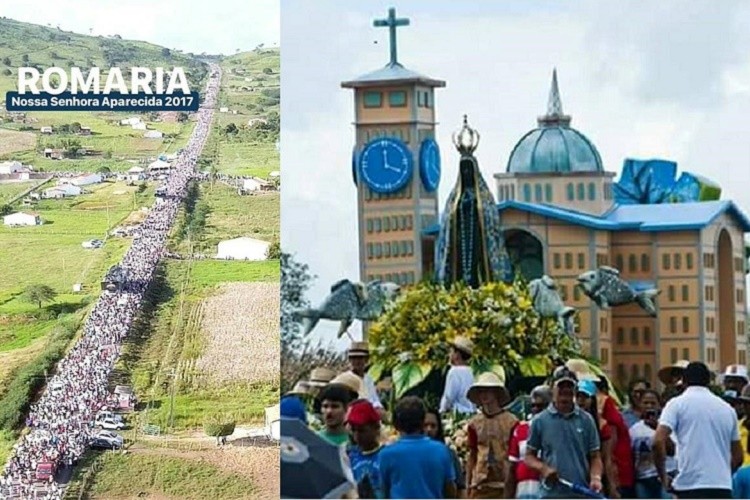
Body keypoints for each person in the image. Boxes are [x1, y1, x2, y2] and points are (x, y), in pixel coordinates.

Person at [654, 361, 743, 498]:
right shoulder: (727, 409)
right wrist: (722, 474)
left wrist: (663, 476)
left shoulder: (676, 404)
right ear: (708, 381)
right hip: (721, 487)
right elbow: (738, 457)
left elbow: (657, 441)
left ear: (683, 380)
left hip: (688, 485)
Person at [524, 367, 603, 499]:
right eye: (561, 386)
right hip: (550, 494)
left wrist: (595, 478)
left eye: (569, 386)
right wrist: (543, 468)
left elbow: (595, 456)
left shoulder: (586, 419)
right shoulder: (540, 420)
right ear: (553, 389)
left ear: (575, 389)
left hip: (580, 492)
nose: (565, 390)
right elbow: (529, 457)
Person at [379, 396, 457, 499]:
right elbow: (450, 490)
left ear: (396, 425)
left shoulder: (386, 454)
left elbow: (383, 492)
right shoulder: (441, 450)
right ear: (422, 422)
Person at [464, 372, 518, 499]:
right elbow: (472, 454)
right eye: (481, 391)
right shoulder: (474, 423)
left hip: (504, 483)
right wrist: (468, 484)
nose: (484, 395)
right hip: (480, 483)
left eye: (487, 391)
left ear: (496, 393)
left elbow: (514, 456)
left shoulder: (511, 422)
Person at [575, 380, 618, 499]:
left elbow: (606, 458)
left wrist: (611, 485)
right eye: (578, 396)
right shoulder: (566, 423)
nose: (580, 400)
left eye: (585, 396)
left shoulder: (601, 425)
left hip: (595, 478)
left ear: (592, 399)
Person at [595, 376, 635, 498]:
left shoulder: (602, 404)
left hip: (613, 473)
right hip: (613, 473)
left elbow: (610, 447)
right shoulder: (604, 403)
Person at [507, 385, 550, 499]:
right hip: (523, 491)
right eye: (533, 405)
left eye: (540, 406)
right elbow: (512, 468)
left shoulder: (558, 430)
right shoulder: (520, 429)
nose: (536, 409)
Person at [628, 389, 671, 499]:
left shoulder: (666, 426)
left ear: (659, 406)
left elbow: (673, 450)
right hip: (642, 478)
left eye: (653, 403)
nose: (649, 406)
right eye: (646, 403)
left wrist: (657, 427)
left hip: (664, 477)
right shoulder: (634, 430)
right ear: (639, 405)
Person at [346, 400, 385, 499]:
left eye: (362, 430)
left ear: (376, 428)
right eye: (354, 430)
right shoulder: (349, 457)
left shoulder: (386, 456)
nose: (357, 436)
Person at [425, 409, 467, 498]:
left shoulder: (448, 454)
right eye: (425, 425)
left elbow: (460, 488)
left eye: (433, 426)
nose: (429, 429)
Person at [345, 341, 386, 418]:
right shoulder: (346, 378)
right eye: (354, 358)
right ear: (350, 360)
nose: (357, 361)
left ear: (366, 360)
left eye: (360, 358)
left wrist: (379, 408)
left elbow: (374, 399)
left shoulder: (368, 379)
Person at [439, 337, 477, 415]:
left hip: (458, 414)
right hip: (472, 412)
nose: (449, 355)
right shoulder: (472, 371)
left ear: (457, 354)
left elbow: (449, 396)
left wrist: (442, 410)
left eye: (451, 352)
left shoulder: (454, 372)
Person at [738, 385, 750, 466]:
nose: (743, 406)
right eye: (742, 402)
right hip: (739, 475)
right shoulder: (737, 426)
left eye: (747, 403)